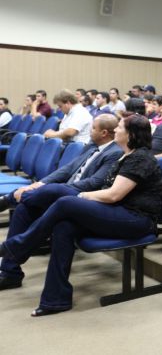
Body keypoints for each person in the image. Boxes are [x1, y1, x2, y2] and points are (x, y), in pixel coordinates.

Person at [0, 114, 162, 317]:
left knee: (66, 202)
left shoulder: (140, 158)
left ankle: (19, 245)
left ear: (130, 134)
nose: (116, 130)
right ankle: (55, 299)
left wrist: (81, 196)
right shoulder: (126, 155)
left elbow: (113, 195)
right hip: (117, 211)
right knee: (64, 226)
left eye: (120, 127)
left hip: (137, 219)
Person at [0, 115, 122, 290]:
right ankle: (10, 273)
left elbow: (94, 183)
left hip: (82, 198)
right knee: (23, 210)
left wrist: (62, 188)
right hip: (64, 192)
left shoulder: (115, 152)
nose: (90, 130)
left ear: (104, 133)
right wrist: (41, 184)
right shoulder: (92, 146)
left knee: (53, 196)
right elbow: (67, 169)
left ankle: (10, 199)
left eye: (93, 128)